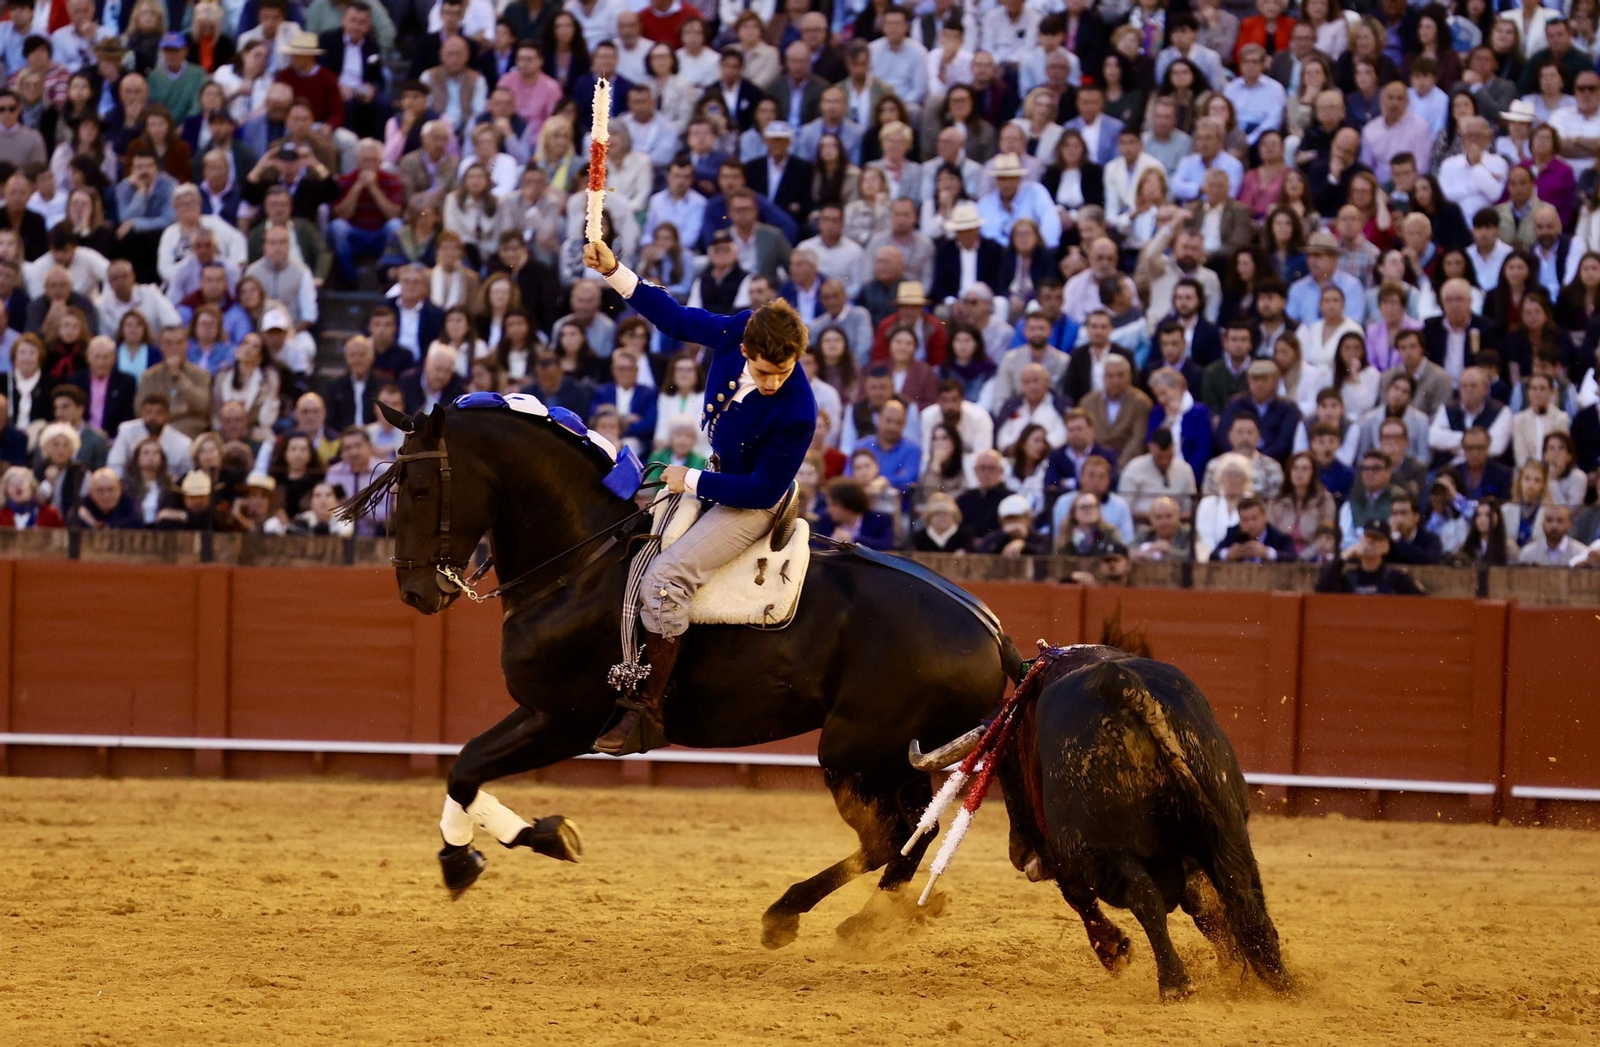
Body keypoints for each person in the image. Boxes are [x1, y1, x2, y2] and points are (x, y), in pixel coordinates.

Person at [582, 238, 814, 753]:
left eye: (785, 370)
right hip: (713, 479)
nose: (774, 382)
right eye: (764, 371)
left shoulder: (798, 411)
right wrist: (614, 271)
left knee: (666, 579)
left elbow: (760, 490)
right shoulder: (737, 331)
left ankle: (646, 711)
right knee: (632, 551)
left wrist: (688, 480)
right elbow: (674, 319)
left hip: (749, 503)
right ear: (746, 351)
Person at [1314, 521, 1426, 593]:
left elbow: (1423, 603)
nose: (1371, 542)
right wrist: (1344, 556)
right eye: (1367, 537)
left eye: (1377, 539)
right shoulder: (1349, 577)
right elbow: (1321, 589)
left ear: (1387, 547)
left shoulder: (1395, 578)